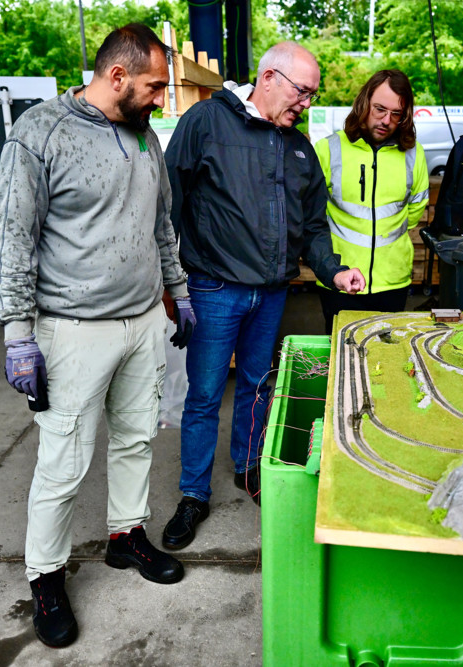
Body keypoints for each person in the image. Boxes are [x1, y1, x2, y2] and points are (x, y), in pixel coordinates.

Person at [0, 24, 195, 649]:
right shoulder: (40, 133)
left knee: (136, 438)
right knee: (63, 461)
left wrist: (178, 293)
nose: (161, 99)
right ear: (116, 76)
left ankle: (125, 536)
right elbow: (13, 239)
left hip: (140, 324)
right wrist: (19, 335)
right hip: (72, 330)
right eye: (155, 86)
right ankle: (45, 576)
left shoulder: (145, 139)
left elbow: (160, 222)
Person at [162, 41, 365, 548]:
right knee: (206, 394)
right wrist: (165, 281)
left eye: (314, 96)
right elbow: (167, 202)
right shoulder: (207, 122)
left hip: (271, 292)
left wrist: (333, 270)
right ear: (269, 77)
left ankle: (249, 467)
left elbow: (314, 226)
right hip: (212, 288)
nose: (307, 104)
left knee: (256, 386)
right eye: (303, 92)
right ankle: (193, 495)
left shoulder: (298, 148)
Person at [314, 70, 429, 332]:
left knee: (384, 358)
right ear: (364, 103)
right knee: (341, 354)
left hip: (393, 280)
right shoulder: (328, 149)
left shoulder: (414, 153)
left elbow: (416, 208)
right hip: (340, 277)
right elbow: (312, 216)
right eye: (379, 109)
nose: (386, 120)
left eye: (396, 114)